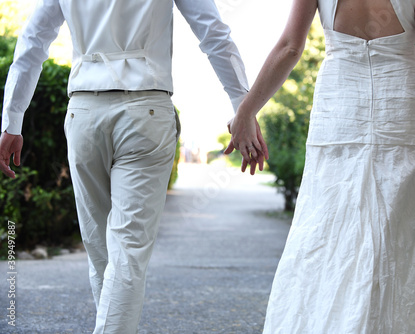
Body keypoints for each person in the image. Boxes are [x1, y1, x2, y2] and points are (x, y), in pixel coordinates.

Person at [0, 0, 266, 333]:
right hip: (145, 112)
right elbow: (213, 32)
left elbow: (33, 40)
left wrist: (12, 121)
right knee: (125, 253)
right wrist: (243, 108)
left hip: (84, 112)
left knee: (102, 254)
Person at [226, 0, 415, 332]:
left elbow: (291, 48)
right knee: (394, 239)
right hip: (400, 105)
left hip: (339, 107)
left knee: (325, 230)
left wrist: (245, 112)